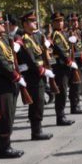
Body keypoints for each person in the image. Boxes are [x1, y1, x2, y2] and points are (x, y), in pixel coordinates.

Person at [0, 11, 26, 159]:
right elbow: (1, 63)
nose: (3, 25)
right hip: (2, 84)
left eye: (3, 23)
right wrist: (16, 76)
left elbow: (11, 59)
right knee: (5, 116)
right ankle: (4, 148)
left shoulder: (3, 40)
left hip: (10, 83)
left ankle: (7, 145)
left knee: (10, 115)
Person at [17, 10, 57, 140]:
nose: (35, 23)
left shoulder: (36, 36)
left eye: (35, 20)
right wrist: (42, 70)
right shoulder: (25, 39)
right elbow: (30, 59)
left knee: (39, 102)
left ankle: (38, 129)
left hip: (39, 73)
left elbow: (42, 53)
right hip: (32, 75)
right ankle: (36, 131)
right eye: (32, 21)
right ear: (25, 23)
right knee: (36, 103)